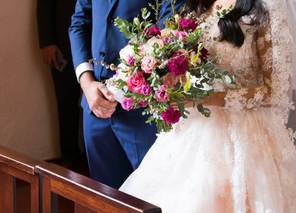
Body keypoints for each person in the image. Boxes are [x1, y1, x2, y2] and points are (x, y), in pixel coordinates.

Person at [120, 0, 296, 212]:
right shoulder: (198, 4)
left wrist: (207, 98)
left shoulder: (266, 7)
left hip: (247, 135)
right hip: (193, 127)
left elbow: (274, 91)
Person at [69, 0, 186, 188]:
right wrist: (87, 83)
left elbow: (168, 30)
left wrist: (126, 84)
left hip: (143, 111)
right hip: (95, 105)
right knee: (104, 199)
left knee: (152, 195)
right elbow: (79, 23)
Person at [37, 0, 82, 168]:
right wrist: (47, 42)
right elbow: (44, 5)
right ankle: (70, 157)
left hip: (96, 41)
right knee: (66, 102)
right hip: (63, 44)